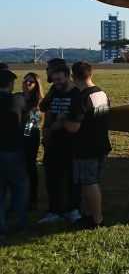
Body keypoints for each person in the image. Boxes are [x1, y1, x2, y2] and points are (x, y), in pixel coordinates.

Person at [56, 62, 111, 229]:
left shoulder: (81, 98)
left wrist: (62, 120)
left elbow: (73, 127)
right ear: (91, 74)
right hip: (102, 145)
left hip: (86, 149)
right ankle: (89, 215)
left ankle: (97, 220)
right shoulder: (101, 93)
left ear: (73, 77)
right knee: (93, 182)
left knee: (89, 183)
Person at [37, 66, 81, 224]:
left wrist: (62, 122)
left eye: (59, 79)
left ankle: (73, 209)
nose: (56, 83)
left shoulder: (77, 94)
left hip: (72, 144)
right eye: (54, 80)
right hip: (53, 144)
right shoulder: (54, 91)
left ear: (68, 77)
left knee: (73, 179)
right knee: (52, 178)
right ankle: (55, 211)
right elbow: (44, 108)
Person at [0, 69, 29, 236]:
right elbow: (29, 119)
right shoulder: (17, 100)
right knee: (19, 190)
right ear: (10, 84)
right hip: (14, 150)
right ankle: (22, 223)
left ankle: (1, 227)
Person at [20, 73, 43, 210]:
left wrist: (23, 137)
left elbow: (31, 122)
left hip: (30, 137)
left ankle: (32, 200)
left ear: (36, 85)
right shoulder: (18, 97)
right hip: (17, 137)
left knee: (30, 167)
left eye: (31, 82)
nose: (27, 83)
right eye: (25, 80)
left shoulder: (37, 101)